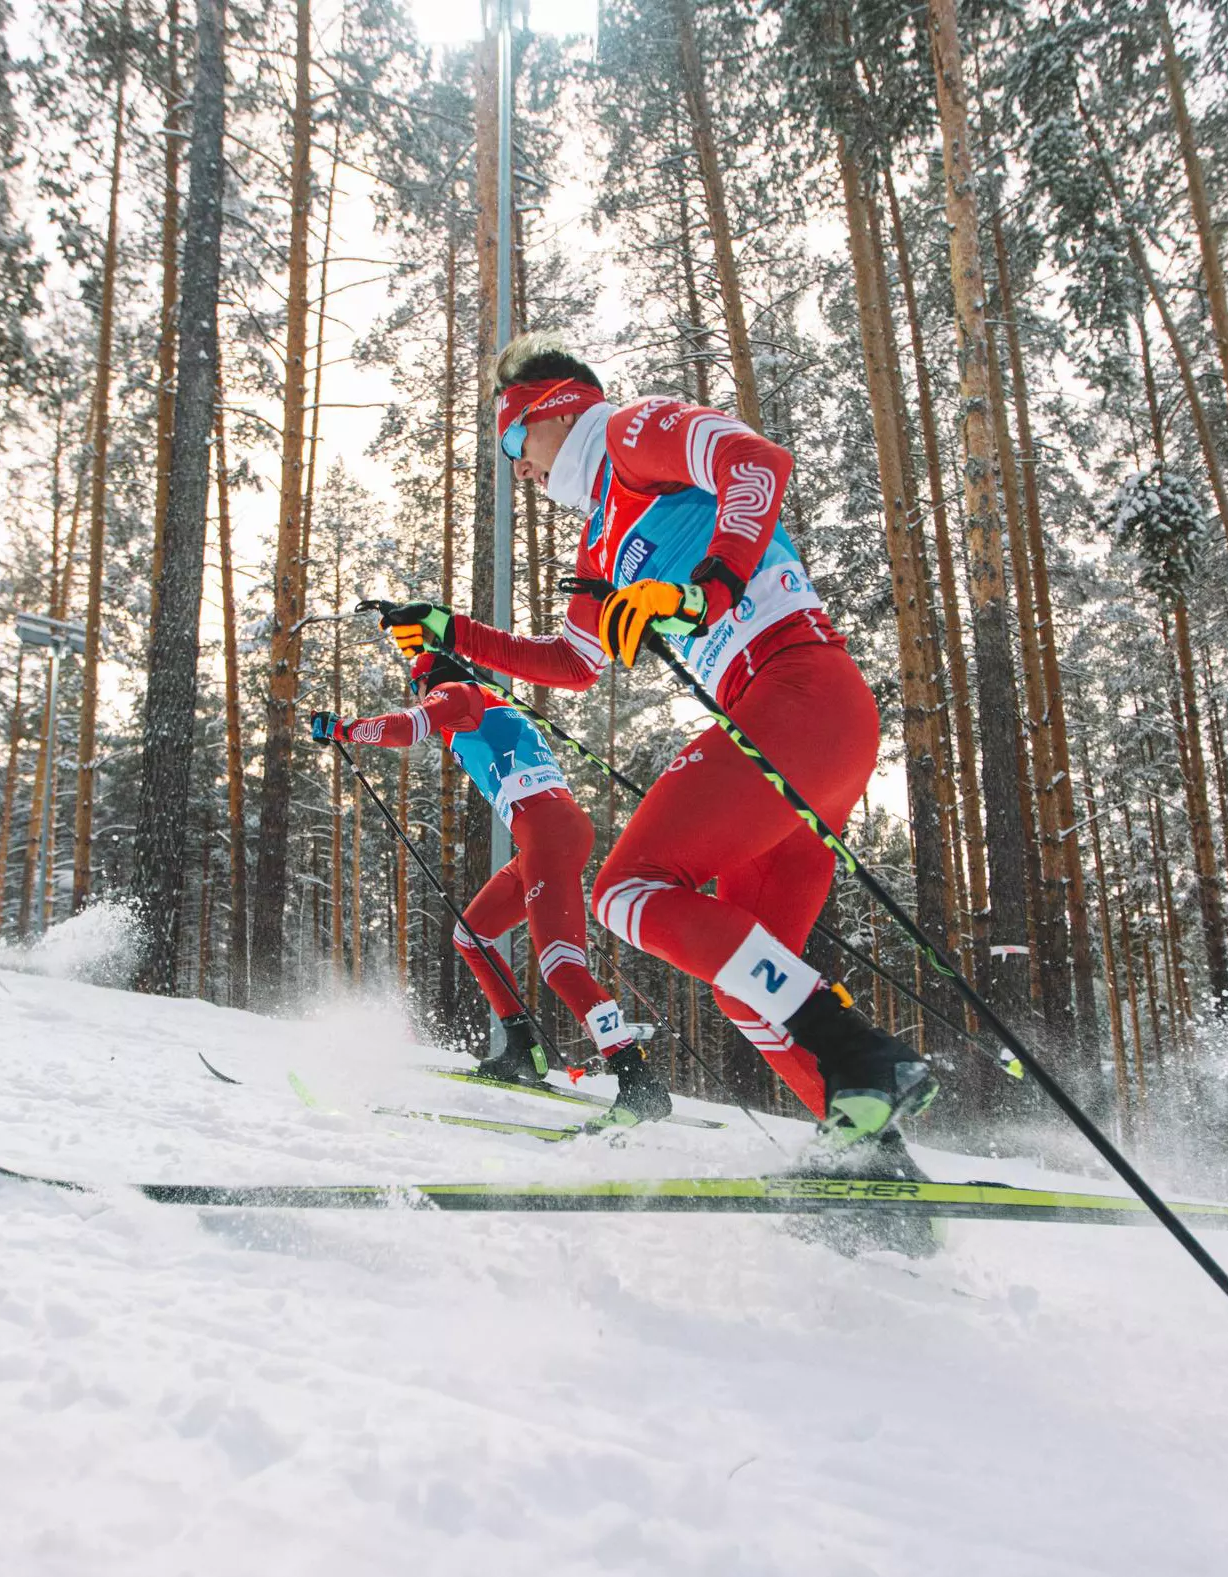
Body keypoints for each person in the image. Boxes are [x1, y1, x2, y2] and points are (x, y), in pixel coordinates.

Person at [373, 333, 932, 1172]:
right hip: (790, 720)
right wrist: (457, 634)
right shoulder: (599, 542)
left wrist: (710, 583)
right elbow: (574, 664)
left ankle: (861, 1051)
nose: (517, 470)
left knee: (626, 890)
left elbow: (757, 463)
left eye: (515, 443)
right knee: (747, 985)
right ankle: (871, 1156)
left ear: (557, 408)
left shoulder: (632, 435)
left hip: (798, 688)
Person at [310, 650, 667, 1125]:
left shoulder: (457, 694)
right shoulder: (486, 703)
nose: (421, 698)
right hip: (543, 833)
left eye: (419, 689)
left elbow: (405, 729)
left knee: (561, 966)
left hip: (546, 830)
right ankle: (522, 1047)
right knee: (472, 934)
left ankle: (636, 1078)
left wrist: (343, 729)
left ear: (428, 681)